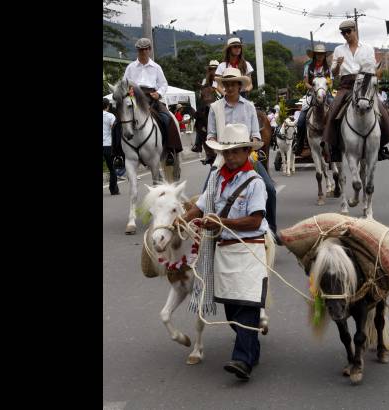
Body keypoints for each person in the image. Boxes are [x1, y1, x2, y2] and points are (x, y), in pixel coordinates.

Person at [180, 123, 268, 381]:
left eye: (235, 152)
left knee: (247, 306)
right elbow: (200, 205)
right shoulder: (216, 178)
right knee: (232, 310)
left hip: (247, 252)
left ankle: (242, 360)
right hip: (224, 252)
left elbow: (254, 220)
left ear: (246, 152)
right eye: (226, 152)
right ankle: (251, 349)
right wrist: (183, 219)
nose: (230, 157)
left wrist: (222, 222)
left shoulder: (255, 183)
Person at [205, 67, 278, 241]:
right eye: (226, 84)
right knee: (207, 193)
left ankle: (272, 230)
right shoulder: (215, 108)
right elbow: (210, 135)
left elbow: (256, 134)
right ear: (222, 86)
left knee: (270, 189)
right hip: (224, 156)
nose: (229, 88)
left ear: (239, 86)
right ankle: (207, 235)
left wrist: (250, 147)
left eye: (233, 84)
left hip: (246, 154)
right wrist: (221, 147)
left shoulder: (249, 107)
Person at [321, 20, 389, 163]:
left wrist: (369, 77)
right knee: (332, 111)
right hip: (345, 85)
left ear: (354, 30)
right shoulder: (338, 49)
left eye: (348, 32)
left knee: (382, 109)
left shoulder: (368, 48)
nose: (345, 35)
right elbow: (334, 71)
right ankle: (332, 148)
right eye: (342, 33)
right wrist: (337, 65)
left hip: (364, 84)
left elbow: (372, 68)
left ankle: (387, 143)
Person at [123, 38, 182, 166]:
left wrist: (158, 93)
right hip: (134, 97)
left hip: (151, 97)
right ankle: (118, 155)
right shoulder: (130, 67)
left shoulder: (156, 67)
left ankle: (171, 150)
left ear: (149, 50)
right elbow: (125, 84)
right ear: (137, 51)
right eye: (140, 50)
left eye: (145, 49)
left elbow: (164, 84)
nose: (143, 52)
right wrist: (130, 94)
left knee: (168, 118)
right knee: (119, 121)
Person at [295, 43, 334, 155]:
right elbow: (306, 83)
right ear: (314, 55)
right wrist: (313, 88)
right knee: (301, 120)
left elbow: (331, 83)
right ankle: (300, 144)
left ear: (324, 55)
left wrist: (325, 89)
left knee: (336, 113)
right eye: (318, 54)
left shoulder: (328, 68)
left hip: (326, 93)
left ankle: (337, 142)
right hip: (312, 93)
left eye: (322, 54)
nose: (320, 56)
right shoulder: (308, 67)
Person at [103, 98, 119, 195]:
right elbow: (114, 129)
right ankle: (113, 190)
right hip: (108, 145)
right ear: (108, 106)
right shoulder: (110, 116)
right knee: (111, 168)